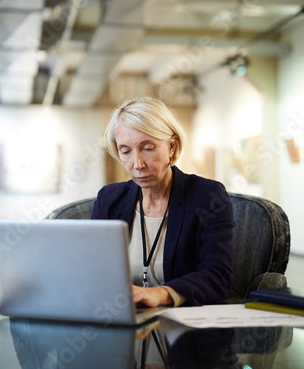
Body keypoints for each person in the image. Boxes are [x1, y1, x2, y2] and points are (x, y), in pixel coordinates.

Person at [91, 97, 234, 308]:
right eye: (126, 151)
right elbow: (91, 267)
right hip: (121, 318)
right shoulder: (109, 199)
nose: (137, 164)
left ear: (171, 147)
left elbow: (218, 275)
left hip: (183, 326)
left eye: (147, 148)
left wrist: (161, 294)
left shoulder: (208, 196)